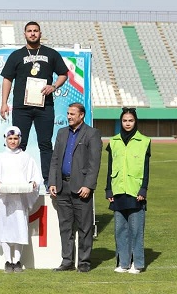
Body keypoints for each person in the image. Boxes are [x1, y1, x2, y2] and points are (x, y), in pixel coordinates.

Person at [0, 21, 69, 189]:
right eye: (29, 31)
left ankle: (48, 181)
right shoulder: (16, 55)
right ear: (24, 34)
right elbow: (7, 79)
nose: (32, 33)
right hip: (21, 107)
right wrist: (4, 103)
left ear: (40, 33)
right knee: (18, 143)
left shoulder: (51, 54)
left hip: (44, 106)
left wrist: (53, 86)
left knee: (45, 144)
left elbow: (63, 74)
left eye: (35, 31)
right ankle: (19, 178)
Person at [49, 102, 102, 273]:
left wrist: (88, 185)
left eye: (72, 114)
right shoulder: (62, 133)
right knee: (65, 226)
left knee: (85, 227)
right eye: (68, 113)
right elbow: (55, 159)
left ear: (81, 116)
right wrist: (52, 182)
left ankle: (84, 261)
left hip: (81, 189)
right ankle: (67, 261)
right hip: (62, 187)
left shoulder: (92, 134)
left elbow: (94, 163)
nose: (69, 116)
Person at [0, 126, 42, 273]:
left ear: (20, 139)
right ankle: (7, 260)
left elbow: (35, 177)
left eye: (15, 138)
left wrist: (34, 183)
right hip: (5, 199)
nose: (13, 141)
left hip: (20, 200)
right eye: (10, 138)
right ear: (5, 139)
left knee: (20, 228)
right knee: (5, 229)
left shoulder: (26, 157)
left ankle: (17, 261)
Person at [105, 107, 150, 274]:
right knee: (120, 229)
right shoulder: (114, 141)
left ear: (135, 121)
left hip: (135, 190)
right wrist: (108, 189)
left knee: (136, 229)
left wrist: (143, 189)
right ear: (120, 122)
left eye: (130, 120)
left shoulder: (144, 141)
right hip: (118, 190)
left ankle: (137, 264)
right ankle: (123, 263)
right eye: (125, 120)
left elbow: (146, 168)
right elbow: (110, 166)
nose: (127, 123)